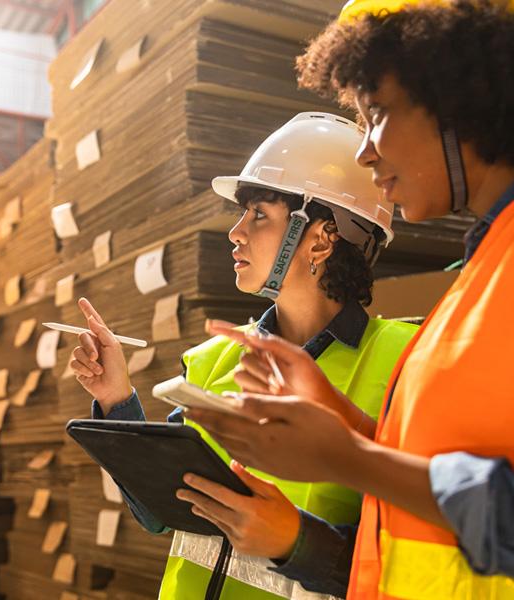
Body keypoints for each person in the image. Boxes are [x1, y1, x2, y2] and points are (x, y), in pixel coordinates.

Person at [186, 1, 514, 598]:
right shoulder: (484, 269)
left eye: (378, 113)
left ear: (455, 93)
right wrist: (344, 419)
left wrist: (346, 458)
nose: (366, 152)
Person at [69, 113, 418, 599]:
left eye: (258, 214)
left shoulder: (404, 364)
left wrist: (294, 542)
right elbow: (157, 514)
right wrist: (116, 399)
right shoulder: (214, 356)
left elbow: (413, 561)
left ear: (320, 237)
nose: (234, 232)